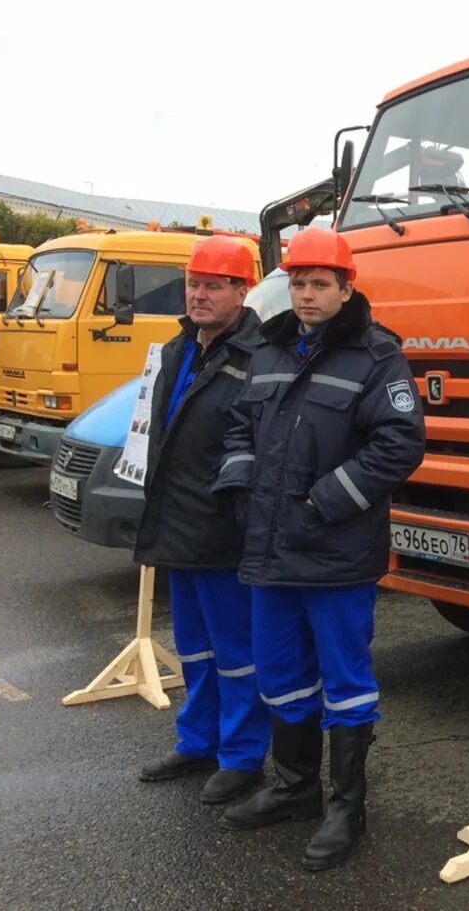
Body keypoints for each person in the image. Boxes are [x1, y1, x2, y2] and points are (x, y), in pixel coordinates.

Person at [213, 226, 424, 871]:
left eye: (319, 284)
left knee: (346, 683)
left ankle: (346, 807)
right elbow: (240, 426)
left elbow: (400, 443)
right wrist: (242, 488)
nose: (306, 295)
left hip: (335, 555)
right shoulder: (268, 350)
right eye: (298, 283)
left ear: (345, 287)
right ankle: (296, 787)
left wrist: (322, 503)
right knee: (280, 678)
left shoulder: (377, 356)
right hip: (271, 550)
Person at [136, 236, 270, 803]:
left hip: (224, 527)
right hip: (177, 524)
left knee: (237, 652)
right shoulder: (178, 349)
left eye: (214, 285)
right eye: (194, 283)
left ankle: (242, 757)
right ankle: (199, 741)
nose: (200, 295)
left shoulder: (260, 356)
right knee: (193, 646)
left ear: (242, 290)